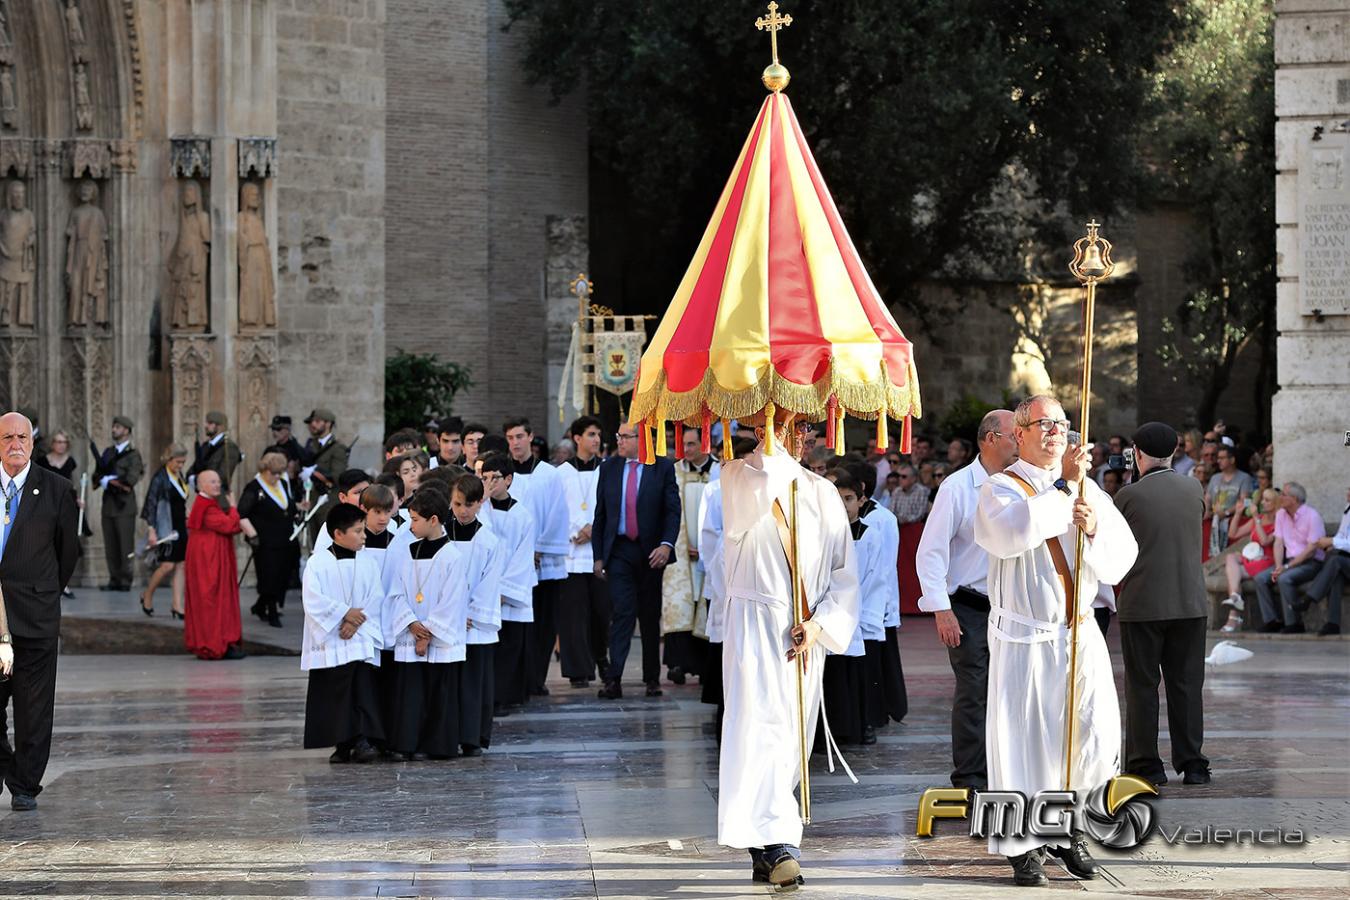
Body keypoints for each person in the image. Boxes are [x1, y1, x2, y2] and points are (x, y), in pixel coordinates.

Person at [973, 395, 1138, 887]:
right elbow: (1009, 535)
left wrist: (1095, 529)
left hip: (1079, 634)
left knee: (1090, 738)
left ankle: (1069, 829)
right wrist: (1063, 486)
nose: (1054, 433)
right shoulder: (1001, 487)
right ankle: (1022, 846)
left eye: (1061, 424)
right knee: (1024, 743)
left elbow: (1121, 559)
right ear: (1019, 433)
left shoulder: (1090, 490)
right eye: (1044, 424)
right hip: (1026, 638)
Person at [717, 410, 859, 888]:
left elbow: (844, 574)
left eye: (804, 427)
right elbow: (749, 509)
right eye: (787, 424)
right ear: (761, 428)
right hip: (754, 623)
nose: (800, 436)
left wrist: (820, 624)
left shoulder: (822, 492)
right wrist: (770, 447)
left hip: (804, 630)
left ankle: (767, 846)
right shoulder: (736, 476)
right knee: (758, 729)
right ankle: (778, 841)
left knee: (793, 736)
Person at [915, 409, 1017, 792]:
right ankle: (971, 780)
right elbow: (931, 551)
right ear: (990, 438)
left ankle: (1007, 771)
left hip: (1015, 607)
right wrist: (941, 609)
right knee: (974, 691)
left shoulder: (1022, 484)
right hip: (970, 606)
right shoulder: (957, 487)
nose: (1020, 442)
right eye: (1014, 435)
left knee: (1010, 691)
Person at [1113, 422, 1211, 788]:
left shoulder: (1128, 495)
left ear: (1137, 453)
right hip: (1189, 602)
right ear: (1174, 452)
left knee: (1142, 686)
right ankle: (1194, 764)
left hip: (1143, 603)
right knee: (1187, 685)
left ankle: (1146, 764)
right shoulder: (1193, 487)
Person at [0, 411, 80, 811]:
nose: (15, 444)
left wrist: (44, 590)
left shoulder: (56, 489)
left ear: (33, 442)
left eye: (23, 437)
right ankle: (5, 767)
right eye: (7, 437)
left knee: (33, 709)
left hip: (36, 614)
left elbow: (68, 552)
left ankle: (25, 785)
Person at [592, 421, 680, 699]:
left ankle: (652, 678)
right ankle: (614, 678)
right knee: (623, 611)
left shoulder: (662, 468)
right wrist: (598, 556)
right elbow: (601, 514)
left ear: (642, 440)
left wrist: (666, 545)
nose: (619, 441)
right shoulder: (609, 468)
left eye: (625, 436)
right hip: (619, 550)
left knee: (650, 615)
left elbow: (672, 511)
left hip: (651, 552)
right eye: (618, 435)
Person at [384, 488, 470, 760]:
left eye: (414, 520)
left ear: (433, 520)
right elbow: (396, 593)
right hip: (411, 633)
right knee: (410, 693)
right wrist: (411, 624)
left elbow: (452, 601)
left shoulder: (452, 556)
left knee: (438, 692)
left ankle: (437, 745)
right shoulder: (406, 552)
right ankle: (407, 743)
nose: (410, 526)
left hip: (438, 639)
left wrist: (428, 633)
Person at [302, 502, 385, 764]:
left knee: (361, 690)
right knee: (334, 694)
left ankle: (362, 740)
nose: (364, 536)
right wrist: (343, 614)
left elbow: (376, 596)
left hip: (359, 635)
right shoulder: (318, 563)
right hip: (332, 637)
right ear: (338, 533)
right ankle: (341, 743)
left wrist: (355, 622)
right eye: (358, 531)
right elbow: (312, 599)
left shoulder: (368, 562)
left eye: (363, 530)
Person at [503, 417, 570, 697]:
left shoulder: (549, 474)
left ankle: (537, 678)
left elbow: (557, 514)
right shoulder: (504, 476)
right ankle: (518, 679)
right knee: (519, 625)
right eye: (510, 438)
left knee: (544, 623)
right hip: (515, 565)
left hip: (545, 562)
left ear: (530, 437)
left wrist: (539, 549)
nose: (515, 443)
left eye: (520, 436)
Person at [817, 470, 879, 746]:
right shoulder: (823, 533)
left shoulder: (869, 535)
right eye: (837, 498)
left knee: (854, 673)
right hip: (827, 611)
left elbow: (875, 577)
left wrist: (862, 615)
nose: (843, 505)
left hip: (856, 612)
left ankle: (859, 726)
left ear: (861, 500)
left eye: (848, 498)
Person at [846, 461, 906, 726]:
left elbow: (886, 564)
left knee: (881, 662)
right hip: (864, 601)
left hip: (877, 600)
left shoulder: (880, 519)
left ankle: (885, 710)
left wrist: (882, 603)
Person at [445, 474, 501, 756]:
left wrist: (468, 613)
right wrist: (451, 612)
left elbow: (490, 584)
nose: (463, 511)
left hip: (475, 626)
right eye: (457, 504)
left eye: (469, 504)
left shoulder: (489, 540)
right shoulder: (440, 536)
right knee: (448, 684)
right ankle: (446, 736)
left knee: (473, 683)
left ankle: (472, 737)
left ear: (480, 503)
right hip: (446, 623)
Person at [478, 452, 538, 712]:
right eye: (485, 478)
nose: (490, 483)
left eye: (495, 478)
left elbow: (523, 558)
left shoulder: (522, 515)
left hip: (509, 593)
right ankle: (488, 697)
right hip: (484, 592)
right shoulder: (479, 511)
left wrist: (503, 591)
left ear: (509, 480)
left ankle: (506, 697)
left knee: (510, 646)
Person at [662, 424, 718, 685]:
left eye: (692, 444)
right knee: (681, 604)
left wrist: (706, 548)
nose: (686, 449)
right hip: (682, 550)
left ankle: (705, 666)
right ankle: (678, 663)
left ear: (704, 443)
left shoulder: (719, 471)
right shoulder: (674, 472)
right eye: (683, 444)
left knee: (705, 604)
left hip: (710, 550)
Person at [556, 416, 608, 688]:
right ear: (577, 438)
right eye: (591, 434)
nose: (596, 439)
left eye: (598, 434)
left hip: (598, 555)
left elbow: (613, 506)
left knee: (601, 613)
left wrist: (593, 529)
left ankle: (601, 659)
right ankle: (578, 670)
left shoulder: (607, 470)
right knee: (573, 617)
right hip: (572, 553)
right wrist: (577, 529)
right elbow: (556, 510)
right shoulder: (561, 473)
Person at [183, 470, 246, 661]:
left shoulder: (206, 504)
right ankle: (215, 643)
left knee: (210, 600)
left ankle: (218, 641)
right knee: (213, 601)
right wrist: (233, 507)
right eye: (212, 482)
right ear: (202, 485)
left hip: (209, 559)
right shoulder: (207, 507)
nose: (217, 485)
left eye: (218, 481)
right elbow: (230, 526)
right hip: (210, 563)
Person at [1254, 482, 1326, 633]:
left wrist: (1286, 567)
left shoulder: (1312, 516)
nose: (1280, 497)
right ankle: (1272, 620)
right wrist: (1279, 566)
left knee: (1284, 578)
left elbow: (1311, 550)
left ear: (1294, 499)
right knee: (1261, 578)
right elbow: (1278, 542)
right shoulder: (1281, 514)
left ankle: (1294, 623)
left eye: (1283, 495)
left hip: (1311, 563)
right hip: (1289, 561)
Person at [237, 452, 300, 627]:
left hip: (286, 538)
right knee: (269, 576)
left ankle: (259, 605)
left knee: (283, 574)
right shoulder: (253, 488)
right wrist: (253, 536)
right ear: (264, 470)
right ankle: (271, 611)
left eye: (280, 473)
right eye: (274, 473)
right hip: (265, 541)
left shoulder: (283, 484)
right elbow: (242, 513)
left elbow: (288, 506)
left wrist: (299, 507)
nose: (277, 477)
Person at [138, 443, 190, 619]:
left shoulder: (179, 475)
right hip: (166, 526)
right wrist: (152, 531)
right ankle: (148, 594)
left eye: (183, 462)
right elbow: (151, 504)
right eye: (178, 462)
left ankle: (177, 605)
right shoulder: (159, 477)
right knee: (167, 565)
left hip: (180, 525)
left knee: (181, 565)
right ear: (169, 459)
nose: (180, 465)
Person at [1218, 487, 1279, 632]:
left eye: (1267, 500)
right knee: (1230, 558)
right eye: (1262, 499)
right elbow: (1233, 534)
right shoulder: (1259, 519)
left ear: (1276, 503)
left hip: (1268, 560)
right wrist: (1238, 513)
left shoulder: (1279, 522)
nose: (1262, 503)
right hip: (1253, 558)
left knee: (1234, 574)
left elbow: (1265, 541)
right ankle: (1235, 597)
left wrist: (1256, 518)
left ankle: (1233, 618)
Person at [94, 415, 144, 592]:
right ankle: (114, 579)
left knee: (125, 545)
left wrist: (110, 481)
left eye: (118, 427)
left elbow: (130, 479)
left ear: (126, 430)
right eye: (113, 426)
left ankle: (125, 580)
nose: (114, 430)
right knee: (111, 545)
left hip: (124, 506)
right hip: (108, 505)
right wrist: (102, 479)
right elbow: (96, 475)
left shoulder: (133, 455)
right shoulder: (108, 452)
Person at [1293, 486, 1350, 637]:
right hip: (1346, 560)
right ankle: (1333, 624)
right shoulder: (1348, 509)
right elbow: (1343, 534)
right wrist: (1330, 543)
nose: (1348, 493)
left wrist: (1332, 541)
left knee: (1336, 561)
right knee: (1335, 575)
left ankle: (1308, 599)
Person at [302, 408, 349, 545]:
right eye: (312, 422)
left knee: (327, 543)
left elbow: (337, 476)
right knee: (313, 544)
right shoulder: (311, 445)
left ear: (328, 424)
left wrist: (314, 472)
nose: (313, 425)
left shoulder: (338, 448)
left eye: (317, 421)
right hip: (311, 501)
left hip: (328, 502)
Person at [1204, 445, 1255, 558]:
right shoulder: (1215, 478)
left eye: (1222, 458)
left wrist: (1226, 513)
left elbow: (1245, 501)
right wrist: (1206, 511)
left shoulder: (1244, 478)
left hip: (1233, 521)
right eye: (1218, 458)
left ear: (1232, 460)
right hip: (1213, 520)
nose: (1218, 461)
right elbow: (1207, 498)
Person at [311, 469, 373, 556]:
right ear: (343, 497)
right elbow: (320, 559)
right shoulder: (332, 526)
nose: (365, 496)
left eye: (367, 491)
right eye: (358, 492)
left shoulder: (384, 522)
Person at [190, 411, 243, 492]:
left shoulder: (229, 447)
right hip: (203, 493)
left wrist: (198, 479)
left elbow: (223, 476)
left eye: (210, 423)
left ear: (219, 426)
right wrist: (192, 477)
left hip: (219, 495)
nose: (206, 426)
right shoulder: (205, 446)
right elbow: (194, 468)